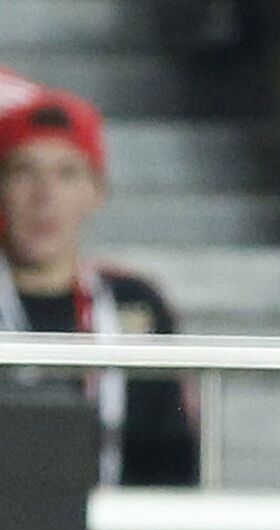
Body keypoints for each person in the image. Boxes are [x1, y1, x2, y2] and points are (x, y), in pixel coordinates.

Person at [0, 87, 196, 486]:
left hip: (117, 519)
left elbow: (175, 461)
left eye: (67, 174)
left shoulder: (137, 304)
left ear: (97, 193)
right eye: (24, 172)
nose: (45, 197)